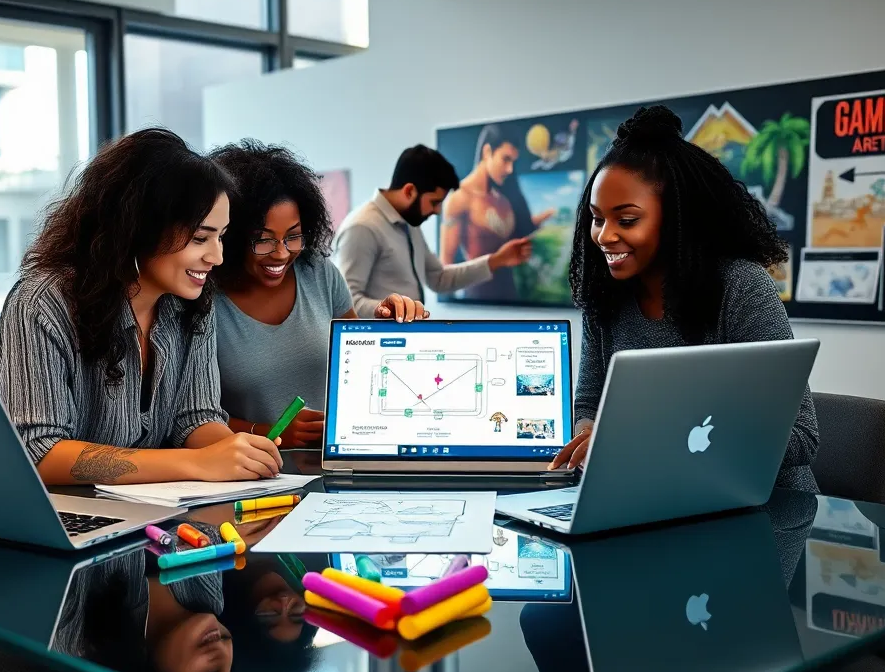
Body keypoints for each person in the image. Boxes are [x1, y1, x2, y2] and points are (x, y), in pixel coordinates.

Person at [0, 128, 284, 485]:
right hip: (52, 511)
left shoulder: (194, 303)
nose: (216, 256)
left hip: (145, 511)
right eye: (200, 238)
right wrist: (195, 463)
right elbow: (39, 453)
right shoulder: (42, 304)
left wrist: (236, 452)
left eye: (220, 237)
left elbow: (195, 417)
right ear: (138, 229)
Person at [549, 106, 819, 492]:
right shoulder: (605, 296)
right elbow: (590, 404)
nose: (604, 236)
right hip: (654, 495)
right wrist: (591, 436)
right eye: (597, 218)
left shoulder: (742, 287)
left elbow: (802, 437)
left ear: (678, 219)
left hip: (769, 508)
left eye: (627, 220)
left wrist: (646, 443)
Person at [209, 140, 426, 448]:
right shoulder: (206, 300)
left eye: (293, 236)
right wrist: (274, 433)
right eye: (263, 240)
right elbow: (192, 417)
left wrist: (386, 325)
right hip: (255, 467)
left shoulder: (319, 273)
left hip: (338, 458)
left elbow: (360, 364)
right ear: (231, 237)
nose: (282, 253)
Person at [334, 144, 533, 316]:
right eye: (435, 202)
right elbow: (342, 304)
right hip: (379, 344)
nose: (438, 211)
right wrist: (392, 310)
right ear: (409, 191)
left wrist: (497, 260)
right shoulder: (362, 227)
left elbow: (439, 278)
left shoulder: (408, 223)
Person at [439, 125, 556, 302]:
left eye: (513, 162)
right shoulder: (459, 198)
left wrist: (542, 219)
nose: (510, 169)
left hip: (510, 296)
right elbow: (445, 272)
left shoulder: (502, 199)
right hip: (476, 302)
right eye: (505, 159)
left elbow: (507, 234)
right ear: (487, 152)